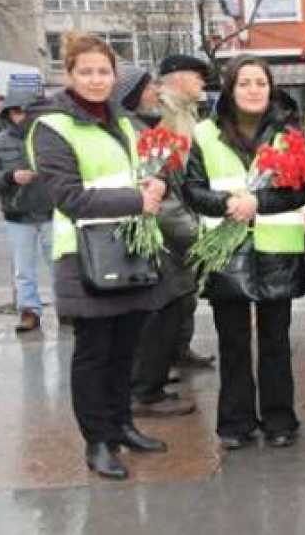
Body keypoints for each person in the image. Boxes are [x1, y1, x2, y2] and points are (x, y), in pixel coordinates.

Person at [28, 32, 178, 479]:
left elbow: (152, 168)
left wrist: (158, 183)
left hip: (132, 248)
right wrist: (137, 199)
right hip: (85, 254)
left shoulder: (126, 121)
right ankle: (96, 441)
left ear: (115, 76)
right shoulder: (52, 126)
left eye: (103, 71)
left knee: (125, 347)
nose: (96, 80)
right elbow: (66, 196)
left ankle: (121, 426)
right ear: (69, 75)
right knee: (93, 352)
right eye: (86, 72)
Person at [183, 54, 305, 450]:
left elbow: (303, 190)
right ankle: (235, 423)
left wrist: (259, 204)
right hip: (226, 249)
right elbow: (191, 188)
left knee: (276, 340)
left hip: (277, 248)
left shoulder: (289, 134)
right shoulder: (205, 133)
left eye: (260, 82)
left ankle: (279, 419)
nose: (254, 89)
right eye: (245, 82)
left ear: (271, 87)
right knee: (232, 341)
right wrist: (227, 204)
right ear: (230, 88)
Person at [113, 64, 200, 419]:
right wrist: (195, 234)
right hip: (158, 239)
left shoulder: (135, 127)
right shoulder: (136, 133)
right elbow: (160, 198)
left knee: (166, 309)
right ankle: (146, 391)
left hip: (157, 236)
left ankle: (150, 383)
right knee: (165, 310)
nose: (154, 93)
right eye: (148, 88)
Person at [160, 54, 215, 371]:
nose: (201, 83)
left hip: (186, 206)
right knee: (173, 291)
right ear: (178, 76)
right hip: (171, 209)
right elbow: (167, 168)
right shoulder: (164, 111)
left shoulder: (185, 111)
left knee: (186, 288)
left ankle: (180, 349)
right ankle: (161, 362)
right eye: (197, 77)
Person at [0, 87, 53, 332]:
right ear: (7, 113)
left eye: (27, 111)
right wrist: (11, 177)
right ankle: (29, 311)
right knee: (23, 268)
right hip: (17, 215)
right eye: (16, 111)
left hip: (51, 210)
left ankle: (69, 310)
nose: (21, 116)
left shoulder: (48, 139)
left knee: (60, 265)